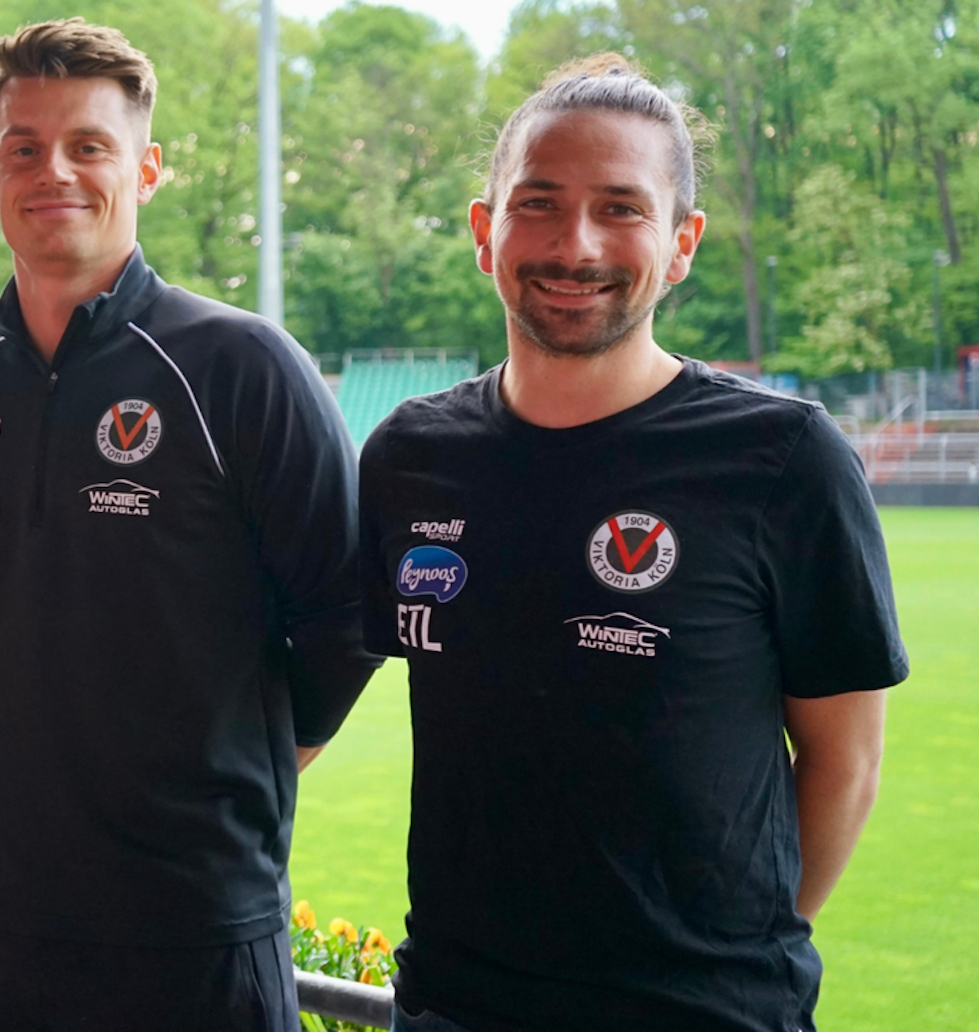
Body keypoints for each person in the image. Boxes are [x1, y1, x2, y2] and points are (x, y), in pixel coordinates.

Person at [355, 54, 908, 1032]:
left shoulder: (782, 458)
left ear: (681, 241)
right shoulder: (408, 455)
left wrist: (714, 961)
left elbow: (844, 762)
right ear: (485, 232)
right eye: (538, 203)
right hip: (454, 1006)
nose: (576, 244)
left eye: (620, 207)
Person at [0, 19, 378, 1031]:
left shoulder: (239, 367)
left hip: (194, 922)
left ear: (145, 169)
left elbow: (342, 616)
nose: (52, 170)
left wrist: (235, 766)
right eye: (23, 147)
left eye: (88, 146)